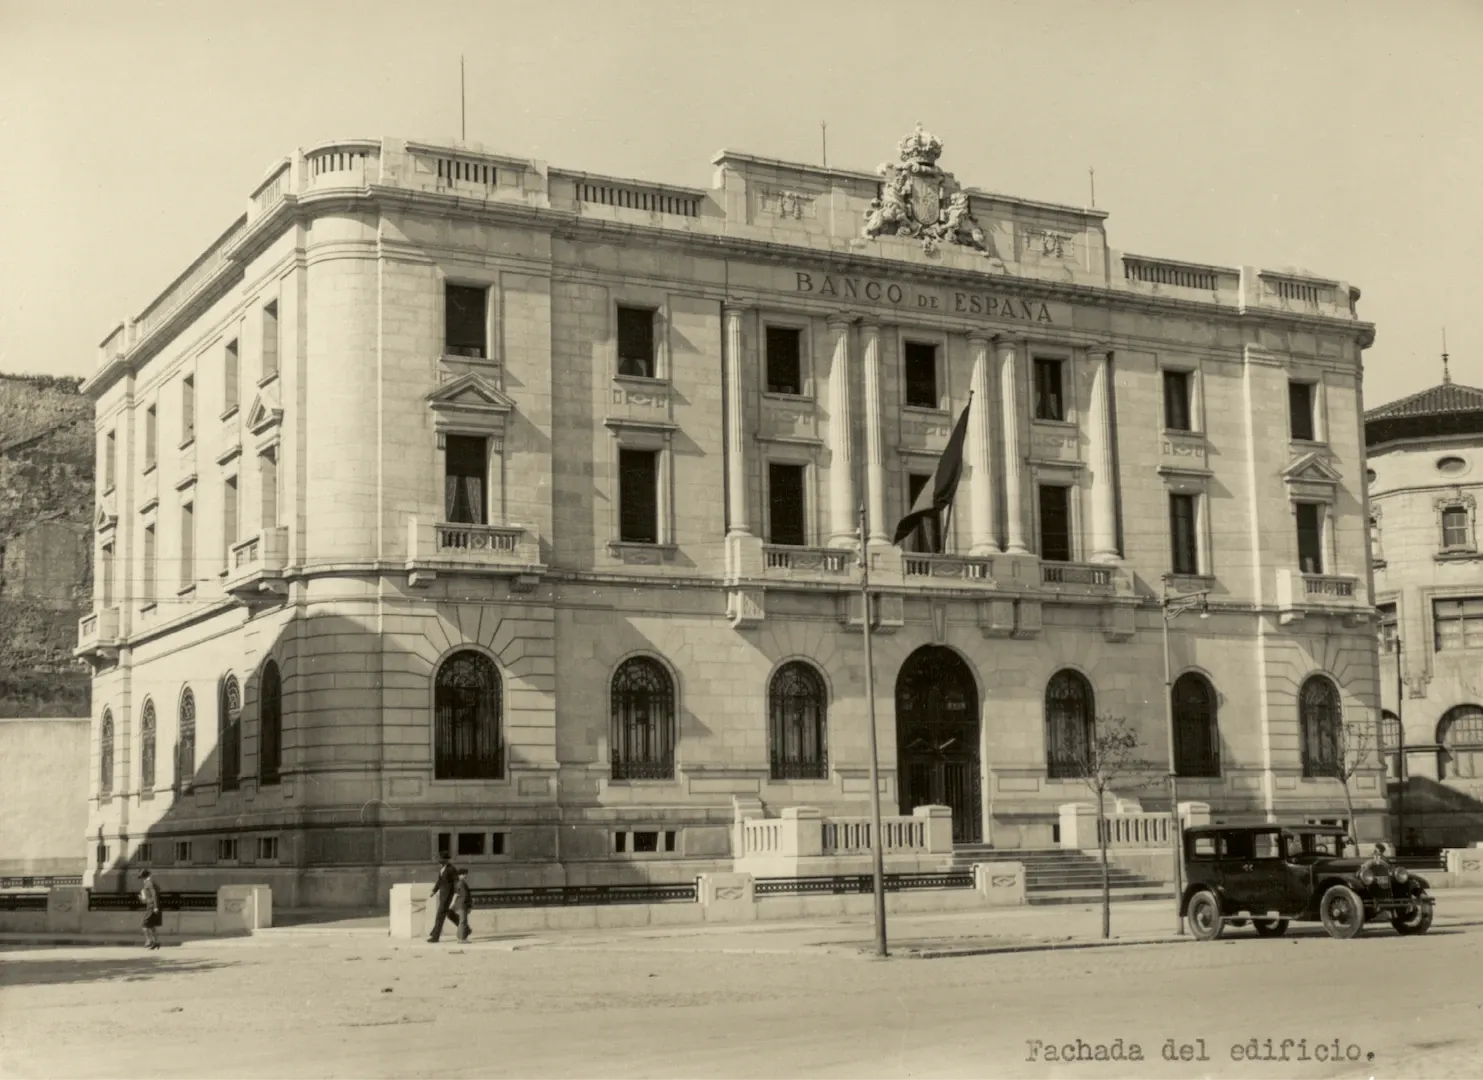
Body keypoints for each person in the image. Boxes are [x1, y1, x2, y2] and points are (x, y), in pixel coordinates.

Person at [426, 853, 458, 943]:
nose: (440, 862)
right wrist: (434, 891)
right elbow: (439, 881)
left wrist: (457, 893)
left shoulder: (451, 869)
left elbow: (456, 881)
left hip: (447, 896)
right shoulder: (442, 869)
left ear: (447, 860)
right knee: (447, 913)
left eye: (442, 860)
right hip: (442, 895)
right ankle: (464, 927)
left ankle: (435, 936)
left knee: (440, 915)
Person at [139, 870, 162, 950]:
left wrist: (155, 906)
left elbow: (154, 894)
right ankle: (156, 942)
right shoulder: (151, 883)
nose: (142, 880)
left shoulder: (148, 883)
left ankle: (149, 940)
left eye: (142, 878)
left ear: (143, 877)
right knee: (151, 925)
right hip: (151, 905)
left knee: (144, 924)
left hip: (151, 906)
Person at [452, 869, 473, 943]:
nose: (465, 875)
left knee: (461, 922)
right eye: (464, 874)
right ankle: (462, 938)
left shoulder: (458, 883)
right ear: (460, 875)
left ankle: (460, 937)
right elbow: (465, 896)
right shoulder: (462, 883)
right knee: (463, 922)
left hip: (459, 904)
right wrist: (469, 906)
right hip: (463, 905)